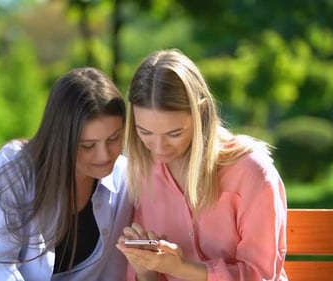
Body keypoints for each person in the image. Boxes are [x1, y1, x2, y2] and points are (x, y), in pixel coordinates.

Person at [116, 49, 287, 281]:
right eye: (144, 131)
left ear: (201, 112)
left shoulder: (250, 172)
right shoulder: (144, 172)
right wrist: (145, 269)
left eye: (174, 133)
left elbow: (260, 275)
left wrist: (180, 268)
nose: (159, 147)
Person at [0, 67, 133, 281]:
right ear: (61, 141)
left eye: (113, 139)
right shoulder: (14, 166)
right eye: (88, 145)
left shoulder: (123, 178)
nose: (105, 155)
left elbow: (113, 271)